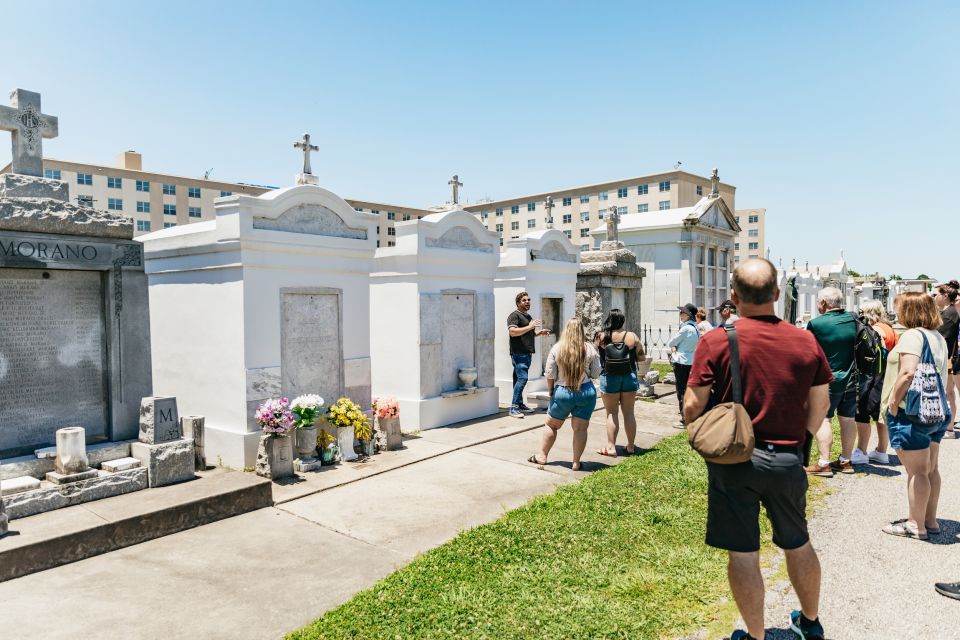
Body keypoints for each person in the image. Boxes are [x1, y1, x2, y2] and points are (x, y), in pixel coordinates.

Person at [684, 258, 831, 640]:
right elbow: (819, 411)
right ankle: (811, 623)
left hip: (735, 458)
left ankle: (755, 634)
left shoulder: (716, 340)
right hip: (787, 459)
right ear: (778, 294)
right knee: (797, 542)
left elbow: (691, 406)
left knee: (743, 553)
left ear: (733, 296)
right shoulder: (805, 341)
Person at [880, 292, 949, 540]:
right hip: (935, 411)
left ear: (909, 310)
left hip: (913, 411)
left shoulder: (912, 336)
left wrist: (893, 403)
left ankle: (914, 524)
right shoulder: (937, 337)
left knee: (917, 472)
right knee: (931, 469)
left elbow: (908, 373)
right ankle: (930, 520)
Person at [528, 317, 600, 471]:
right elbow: (595, 373)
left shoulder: (557, 348)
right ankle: (575, 462)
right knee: (580, 429)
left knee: (551, 425)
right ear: (581, 330)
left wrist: (550, 391)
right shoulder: (590, 348)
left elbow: (550, 373)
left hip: (562, 392)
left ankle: (542, 456)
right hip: (585, 391)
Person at [805, 287, 859, 476]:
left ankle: (824, 463)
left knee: (822, 419)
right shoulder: (854, 320)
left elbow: (808, 353)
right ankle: (846, 461)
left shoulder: (816, 324)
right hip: (853, 379)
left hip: (827, 380)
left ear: (824, 303)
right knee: (848, 419)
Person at [852, 300, 898, 465]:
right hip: (887, 376)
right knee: (880, 414)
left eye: (862, 312)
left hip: (873, 377)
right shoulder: (889, 328)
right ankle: (881, 450)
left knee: (862, 413)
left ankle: (862, 451)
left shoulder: (876, 329)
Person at [595, 308, 642, 457]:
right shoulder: (632, 336)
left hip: (609, 377)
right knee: (629, 413)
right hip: (629, 376)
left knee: (611, 413)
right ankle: (630, 446)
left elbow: (596, 355)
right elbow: (642, 358)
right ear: (622, 320)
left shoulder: (602, 336)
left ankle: (611, 447)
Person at [507, 291, 550, 419]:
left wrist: (539, 332)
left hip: (527, 353)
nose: (527, 302)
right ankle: (513, 407)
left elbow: (527, 333)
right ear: (518, 303)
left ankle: (519, 404)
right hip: (519, 353)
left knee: (517, 379)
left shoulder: (528, 316)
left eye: (528, 300)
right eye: (524, 300)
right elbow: (513, 332)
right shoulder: (514, 316)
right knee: (522, 379)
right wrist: (530, 326)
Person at [667, 303, 700, 427]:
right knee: (689, 389)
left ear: (688, 315)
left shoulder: (685, 328)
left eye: (683, 313)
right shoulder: (695, 327)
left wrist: (675, 346)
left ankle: (684, 418)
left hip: (681, 361)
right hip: (691, 360)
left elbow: (671, 342)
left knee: (681, 390)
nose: (680, 315)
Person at [934, 282, 959, 439]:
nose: (934, 296)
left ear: (944, 296)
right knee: (948, 392)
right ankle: (947, 427)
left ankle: (949, 428)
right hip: (948, 358)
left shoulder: (949, 314)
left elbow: (940, 337)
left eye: (936, 294)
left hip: (949, 359)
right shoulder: (948, 312)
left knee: (949, 393)